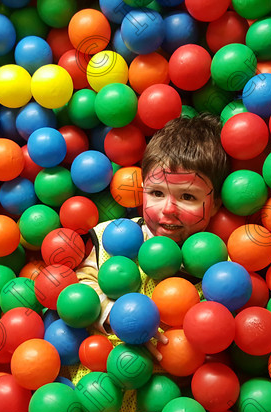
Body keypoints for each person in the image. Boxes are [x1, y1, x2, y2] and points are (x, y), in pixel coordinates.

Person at [74, 113, 232, 355]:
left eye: (187, 197)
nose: (168, 209)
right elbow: (79, 283)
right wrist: (114, 315)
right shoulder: (111, 235)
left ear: (215, 204)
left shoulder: (221, 268)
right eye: (157, 193)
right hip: (98, 368)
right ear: (143, 190)